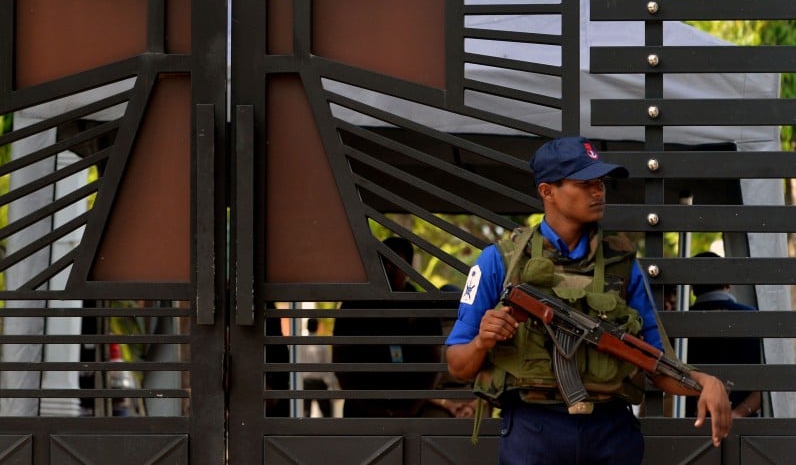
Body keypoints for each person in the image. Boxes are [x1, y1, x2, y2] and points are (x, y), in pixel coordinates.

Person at [445, 136, 732, 464]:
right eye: (585, 183)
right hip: (534, 429)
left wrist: (704, 382)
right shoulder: (500, 261)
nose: (599, 191)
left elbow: (654, 361)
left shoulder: (622, 266)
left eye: (601, 182)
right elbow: (457, 364)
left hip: (609, 429)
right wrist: (483, 341)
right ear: (547, 191)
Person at [332, 236, 442, 417]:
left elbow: (434, 362)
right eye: (385, 263)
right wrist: (366, 407)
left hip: (411, 412)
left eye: (396, 264)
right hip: (361, 412)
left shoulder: (422, 305)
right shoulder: (354, 305)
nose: (389, 270)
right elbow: (340, 362)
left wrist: (412, 408)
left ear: (409, 268)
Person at [685, 251, 762, 419]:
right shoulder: (752, 316)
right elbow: (764, 383)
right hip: (745, 428)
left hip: (693, 422)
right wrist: (738, 414)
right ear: (728, 282)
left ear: (692, 288)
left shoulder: (680, 321)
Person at [298, 318, 335, 417]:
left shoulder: (301, 343)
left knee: (305, 414)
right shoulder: (322, 344)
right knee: (327, 414)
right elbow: (328, 363)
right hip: (319, 383)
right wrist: (331, 382)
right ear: (317, 327)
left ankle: (304, 432)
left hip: (305, 383)